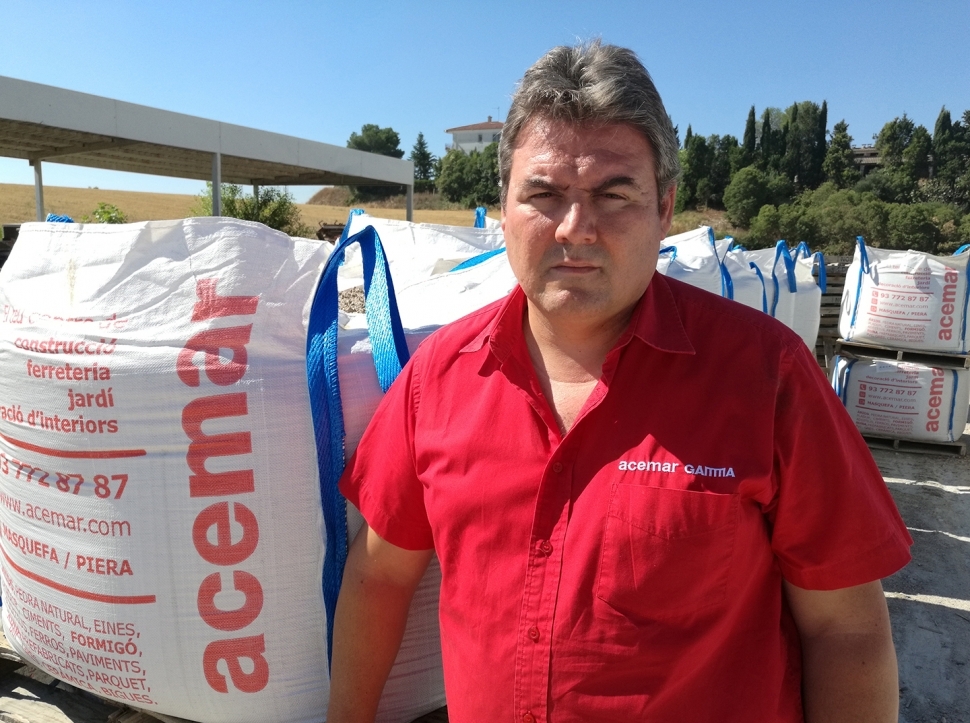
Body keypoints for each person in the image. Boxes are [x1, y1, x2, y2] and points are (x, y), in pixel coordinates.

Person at [327, 41, 912, 723]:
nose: (576, 229)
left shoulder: (768, 375)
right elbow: (379, 576)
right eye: (543, 194)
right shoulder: (438, 378)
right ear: (504, 209)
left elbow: (845, 630)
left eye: (613, 194)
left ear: (665, 209)